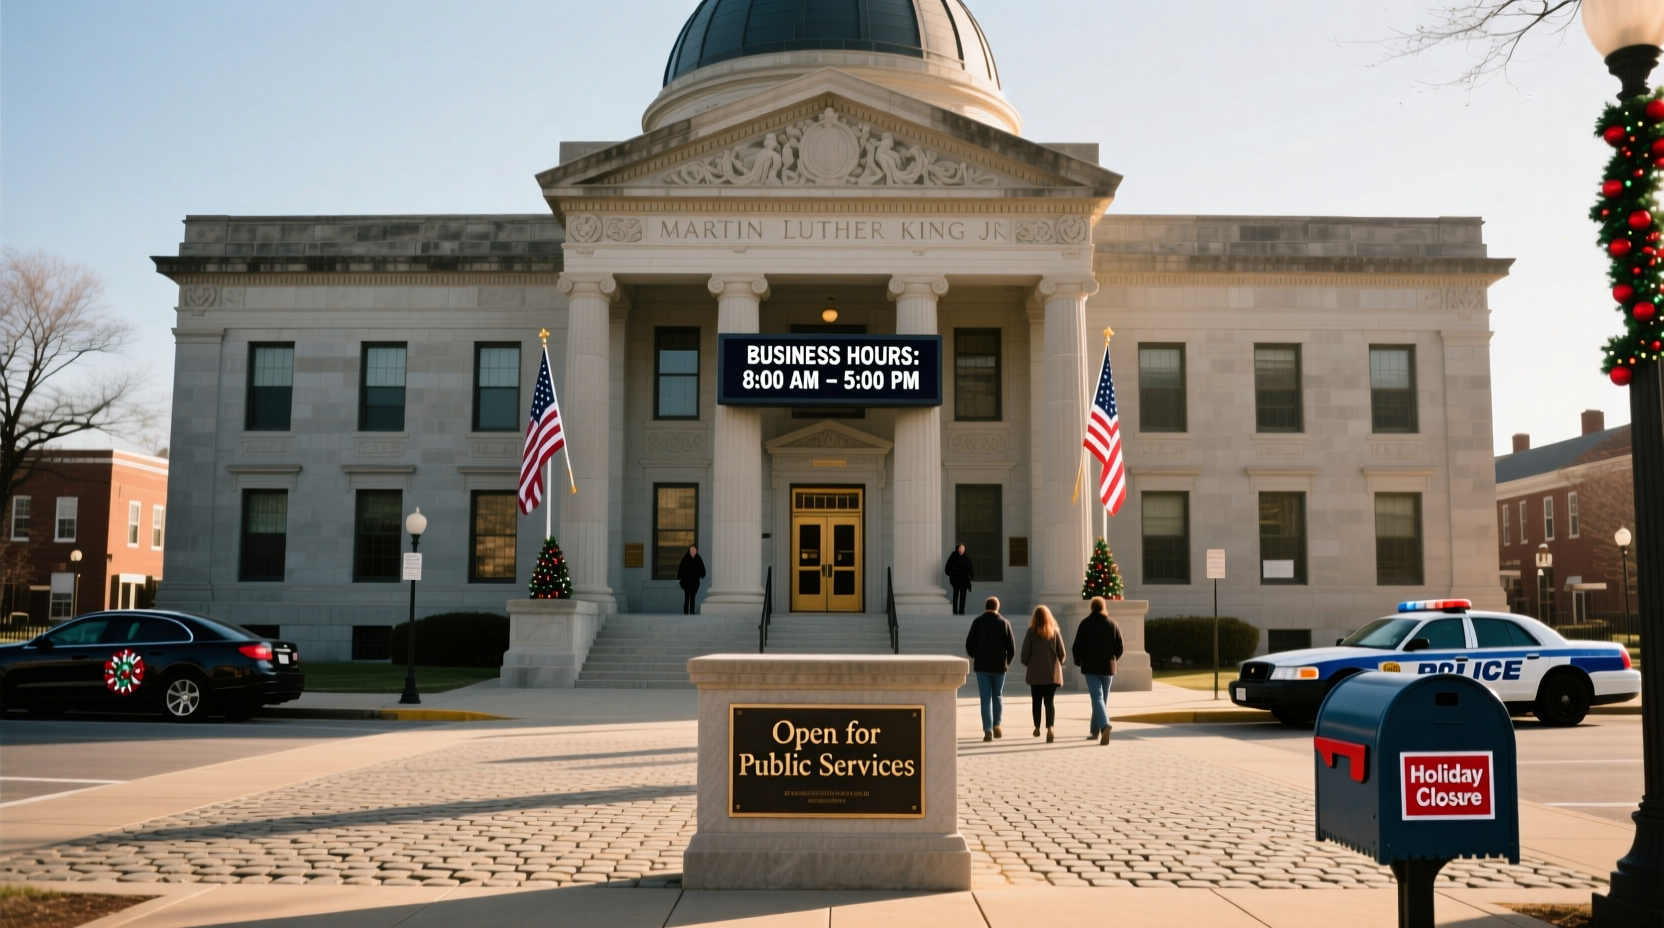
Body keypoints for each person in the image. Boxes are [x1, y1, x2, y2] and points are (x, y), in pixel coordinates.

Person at [1071, 596, 1124, 745]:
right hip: (1108, 668)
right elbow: (1120, 647)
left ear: (1092, 607)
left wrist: (1078, 660)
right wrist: (1114, 658)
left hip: (1091, 667)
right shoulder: (1113, 624)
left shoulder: (1085, 624)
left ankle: (1104, 726)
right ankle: (1094, 731)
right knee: (1101, 700)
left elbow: (1078, 646)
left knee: (1097, 698)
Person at [965, 596, 1015, 742]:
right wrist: (1006, 662)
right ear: (997, 607)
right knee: (998, 696)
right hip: (999, 666)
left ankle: (987, 730)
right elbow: (1011, 648)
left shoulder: (978, 622)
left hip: (982, 666)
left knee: (985, 698)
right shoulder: (1004, 623)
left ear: (985, 607)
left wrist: (976, 655)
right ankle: (997, 724)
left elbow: (969, 644)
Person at [1020, 605, 1066, 743]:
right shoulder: (1054, 632)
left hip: (1035, 674)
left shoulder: (1030, 632)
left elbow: (1024, 653)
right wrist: (1059, 663)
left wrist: (1029, 663)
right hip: (1051, 675)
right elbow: (1062, 653)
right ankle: (1050, 727)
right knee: (1049, 702)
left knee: (1036, 702)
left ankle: (1037, 727)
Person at [944, 544, 973, 615]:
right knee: (956, 594)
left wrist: (971, 575)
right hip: (956, 580)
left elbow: (970, 568)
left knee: (963, 596)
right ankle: (955, 611)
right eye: (960, 549)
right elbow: (948, 568)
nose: (961, 550)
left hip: (964, 581)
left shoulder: (966, 558)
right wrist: (953, 572)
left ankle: (961, 611)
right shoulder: (954, 556)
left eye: (963, 549)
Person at [676, 546, 706, 615]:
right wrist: (680, 577)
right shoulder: (685, 559)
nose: (693, 552)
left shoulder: (698, 558)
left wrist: (702, 575)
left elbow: (702, 568)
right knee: (686, 597)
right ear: (689, 551)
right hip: (686, 582)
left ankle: (692, 611)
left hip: (694, 582)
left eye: (694, 551)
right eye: (691, 551)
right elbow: (681, 568)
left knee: (693, 597)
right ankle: (686, 611)